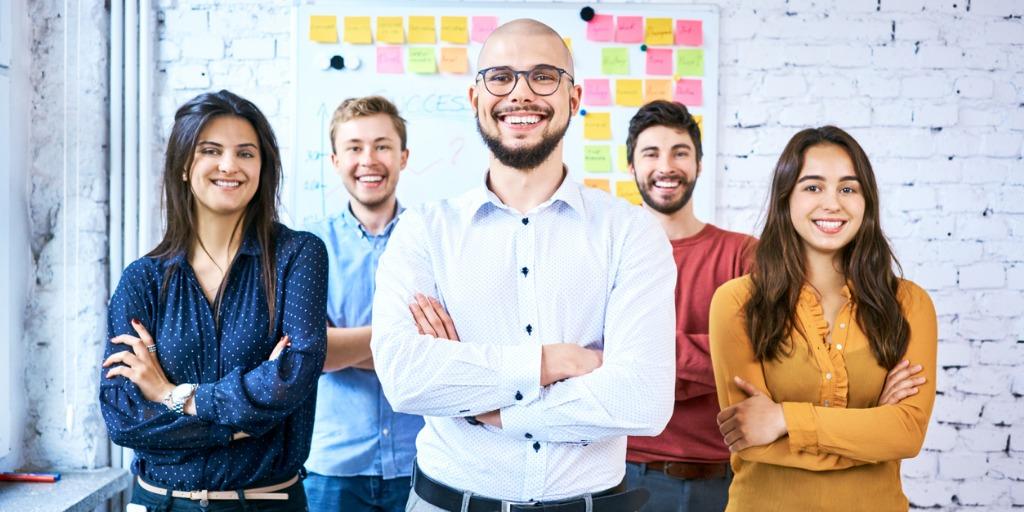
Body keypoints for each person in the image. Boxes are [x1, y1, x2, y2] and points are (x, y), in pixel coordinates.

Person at [370, 18, 676, 512]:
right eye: (500, 77)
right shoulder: (423, 232)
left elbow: (642, 399)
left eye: (543, 76)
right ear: (476, 99)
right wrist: (551, 363)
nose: (521, 93)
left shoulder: (631, 232)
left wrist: (487, 407)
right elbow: (406, 378)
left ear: (574, 100)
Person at [100, 90, 328, 511]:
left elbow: (294, 377)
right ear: (185, 165)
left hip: (264, 503)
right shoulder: (142, 279)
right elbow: (124, 418)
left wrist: (174, 396)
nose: (229, 166)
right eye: (211, 150)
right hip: (158, 503)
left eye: (246, 153)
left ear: (263, 167)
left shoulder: (297, 256)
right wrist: (246, 421)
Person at [709, 126, 937, 511]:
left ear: (867, 201)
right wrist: (871, 428)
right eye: (813, 187)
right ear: (786, 199)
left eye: (848, 188)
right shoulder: (736, 301)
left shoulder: (910, 304)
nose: (832, 203)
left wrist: (784, 418)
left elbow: (907, 435)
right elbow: (751, 436)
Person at [622, 100, 755, 511]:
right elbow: (596, 358)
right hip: (628, 477)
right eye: (651, 153)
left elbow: (753, 357)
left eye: (680, 152)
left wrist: (646, 358)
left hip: (728, 480)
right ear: (631, 167)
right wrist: (705, 359)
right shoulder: (611, 255)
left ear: (698, 164)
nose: (666, 166)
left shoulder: (745, 255)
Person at [303, 96, 423, 512]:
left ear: (403, 157)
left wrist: (343, 346)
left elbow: (447, 350)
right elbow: (308, 352)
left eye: (382, 146)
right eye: (354, 147)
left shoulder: (433, 243)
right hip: (333, 468)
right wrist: (402, 343)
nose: (368, 159)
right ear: (335, 160)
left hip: (422, 463)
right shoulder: (307, 247)